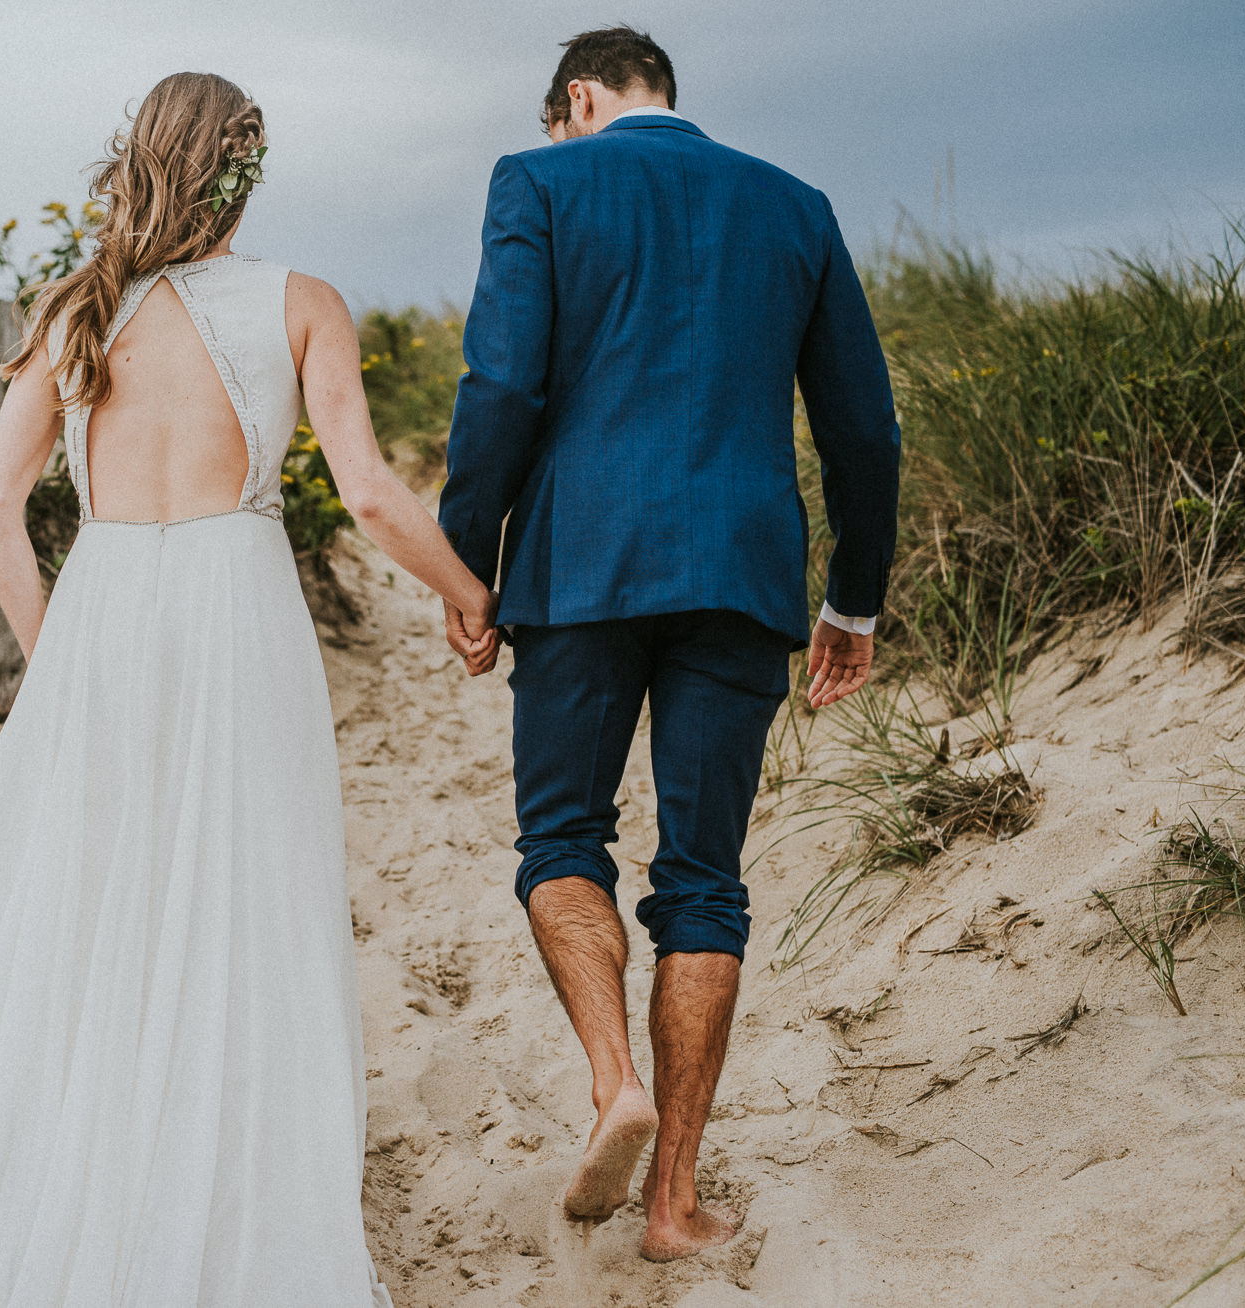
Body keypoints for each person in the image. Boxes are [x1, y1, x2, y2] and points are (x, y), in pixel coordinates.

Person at [0, 71, 496, 1306]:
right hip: (235, 610)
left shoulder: (74, 310)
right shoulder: (301, 302)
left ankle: (71, 1165)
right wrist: (466, 591)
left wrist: (63, 661)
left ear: (139, 160)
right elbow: (369, 492)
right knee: (240, 903)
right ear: (244, 169)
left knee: (78, 909)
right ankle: (214, 1194)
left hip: (103, 610)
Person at [437, 26, 901, 1262]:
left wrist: (464, 560)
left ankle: (611, 1085)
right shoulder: (792, 206)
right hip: (738, 575)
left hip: (578, 566)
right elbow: (863, 429)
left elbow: (500, 388)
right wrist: (852, 600)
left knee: (560, 836)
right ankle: (675, 1204)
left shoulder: (537, 181)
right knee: (704, 881)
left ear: (577, 97)